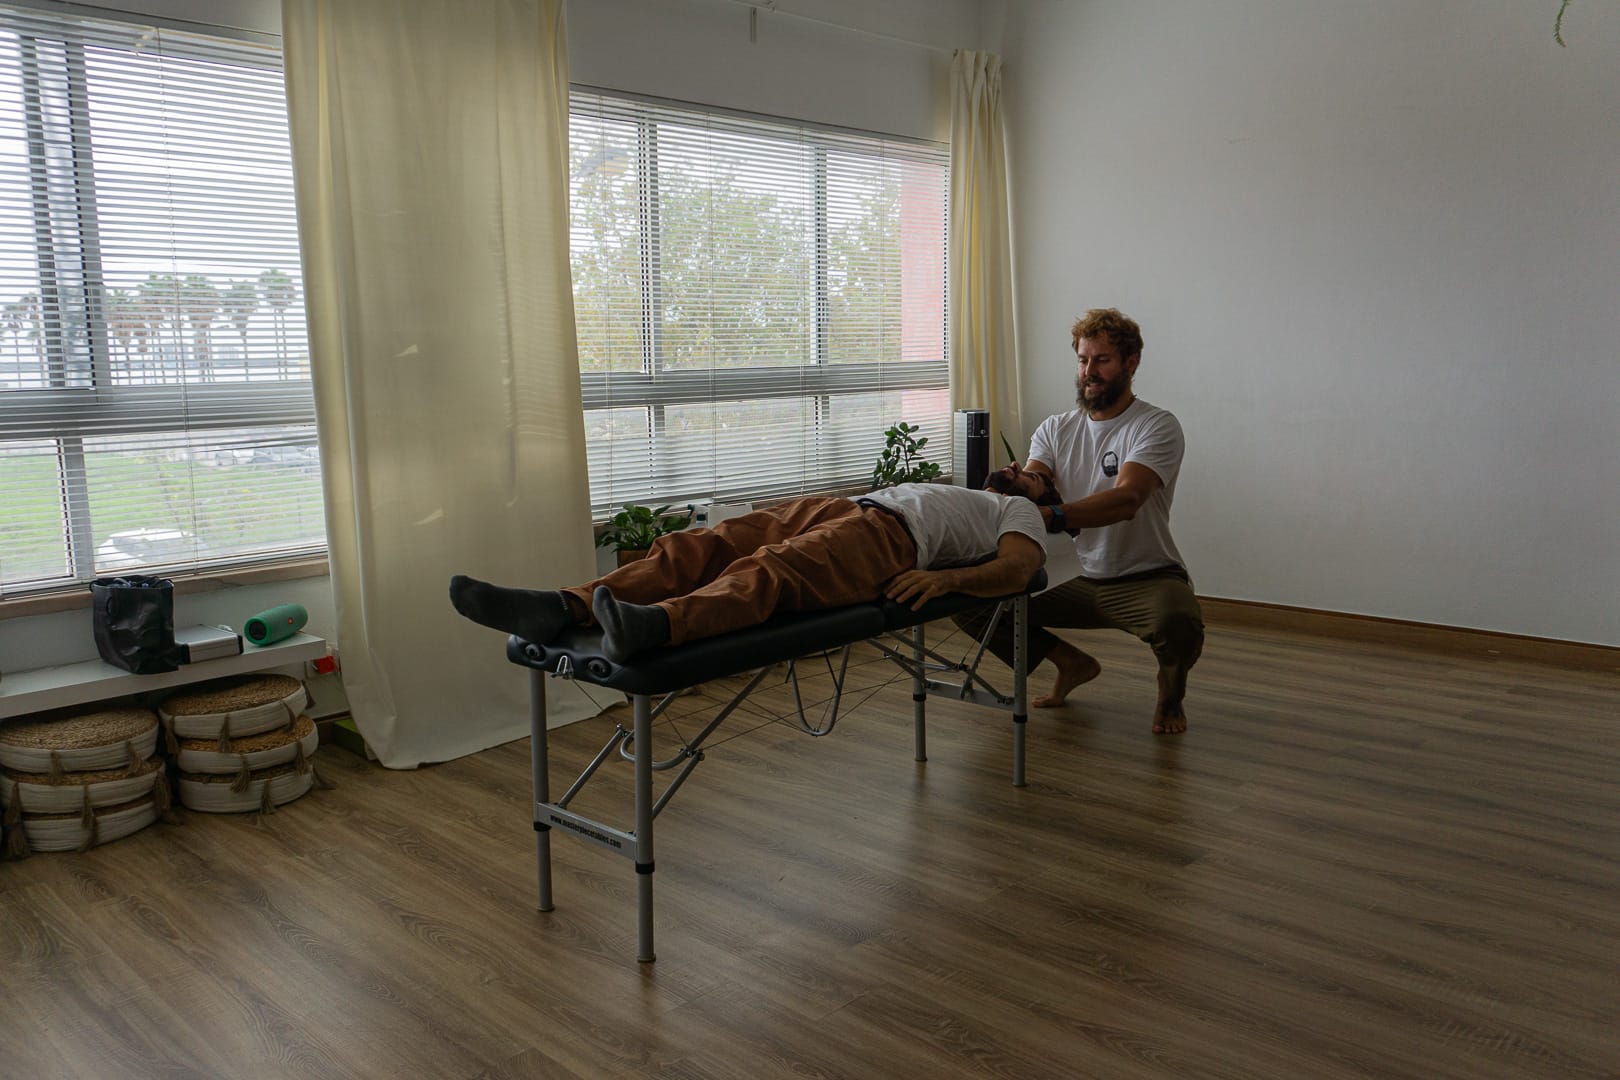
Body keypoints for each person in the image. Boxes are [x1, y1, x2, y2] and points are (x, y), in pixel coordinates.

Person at [450, 464, 1061, 664]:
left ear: (1042, 496)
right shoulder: (968, 487)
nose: (1020, 470)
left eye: (1035, 475)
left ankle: (656, 625)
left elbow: (1015, 573)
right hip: (845, 507)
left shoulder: (1022, 514)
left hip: (893, 542)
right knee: (702, 545)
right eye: (1020, 466)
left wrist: (943, 579)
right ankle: (560, 605)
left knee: (771, 570)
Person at [956, 307, 1204, 735]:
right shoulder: (1056, 428)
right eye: (1083, 360)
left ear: (1131, 363)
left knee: (1178, 623)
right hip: (1074, 574)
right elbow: (1040, 479)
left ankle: (1170, 693)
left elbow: (1126, 499)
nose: (1089, 371)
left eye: (1102, 360)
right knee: (971, 602)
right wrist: (1021, 483)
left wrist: (1051, 513)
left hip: (1144, 576)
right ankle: (1071, 662)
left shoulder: (1156, 425)